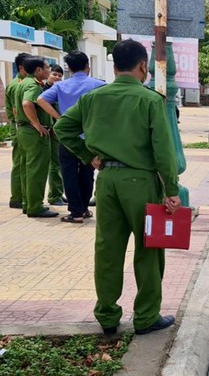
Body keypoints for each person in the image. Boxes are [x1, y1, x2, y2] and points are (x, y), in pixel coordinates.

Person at [54, 39, 181, 335]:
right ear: (142, 67)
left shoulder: (94, 98)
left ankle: (108, 316)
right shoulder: (151, 100)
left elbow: (63, 129)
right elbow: (163, 150)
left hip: (107, 182)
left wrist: (88, 155)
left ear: (113, 67)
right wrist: (171, 189)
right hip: (141, 182)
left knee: (108, 250)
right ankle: (146, 316)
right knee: (149, 249)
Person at [38, 51, 105, 223]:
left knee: (68, 174)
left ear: (69, 68)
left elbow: (41, 100)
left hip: (67, 137)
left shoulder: (60, 86)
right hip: (90, 137)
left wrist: (59, 118)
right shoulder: (99, 85)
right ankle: (84, 209)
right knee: (87, 173)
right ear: (87, 67)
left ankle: (75, 213)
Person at [14, 57, 58, 218]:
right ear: (38, 70)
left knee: (27, 168)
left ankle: (28, 203)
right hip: (33, 133)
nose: (48, 70)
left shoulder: (22, 82)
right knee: (37, 170)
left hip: (24, 131)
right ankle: (35, 206)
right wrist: (37, 124)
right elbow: (27, 104)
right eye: (46, 67)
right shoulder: (33, 85)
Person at [4, 52, 30, 209]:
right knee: (20, 163)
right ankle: (17, 197)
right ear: (21, 67)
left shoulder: (21, 82)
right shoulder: (17, 85)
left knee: (22, 162)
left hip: (18, 127)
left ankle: (20, 196)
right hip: (19, 127)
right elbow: (16, 110)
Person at [42, 64, 65, 206]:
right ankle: (54, 195)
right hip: (49, 131)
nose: (56, 77)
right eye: (54, 74)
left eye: (59, 75)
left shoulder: (59, 90)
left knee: (58, 164)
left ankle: (58, 193)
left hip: (57, 132)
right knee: (54, 165)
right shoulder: (43, 91)